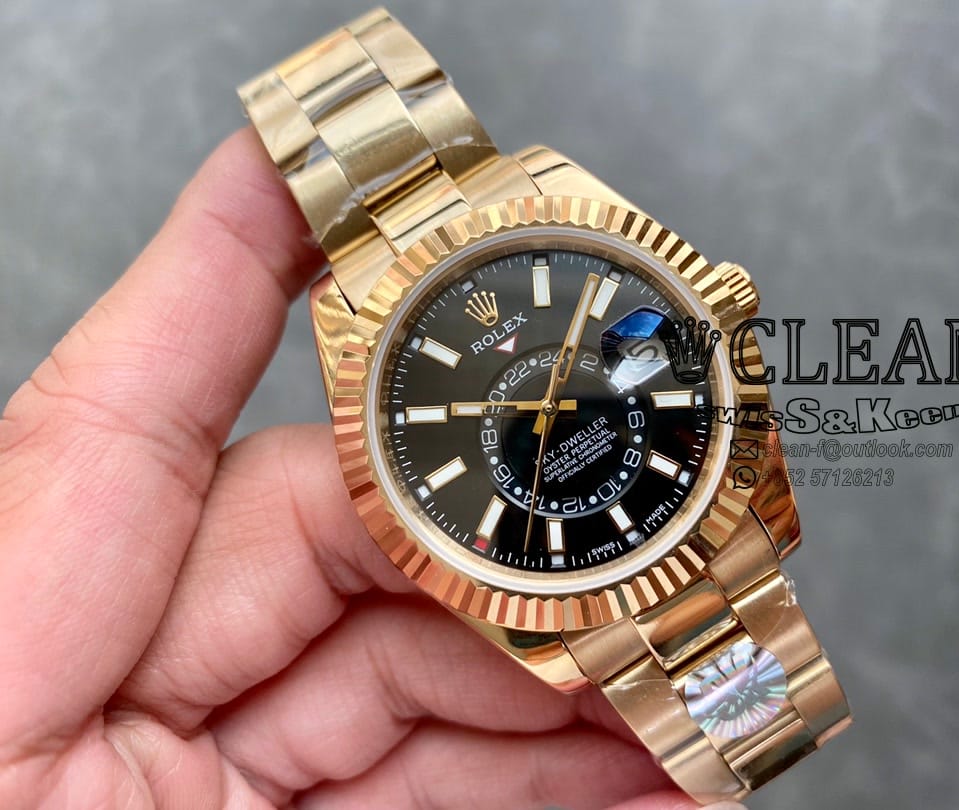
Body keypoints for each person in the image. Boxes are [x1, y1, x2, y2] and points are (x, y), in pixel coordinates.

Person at [0, 130, 746, 810]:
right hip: (564, 569)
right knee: (714, 742)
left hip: (700, 493)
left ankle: (748, 728)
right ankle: (744, 733)